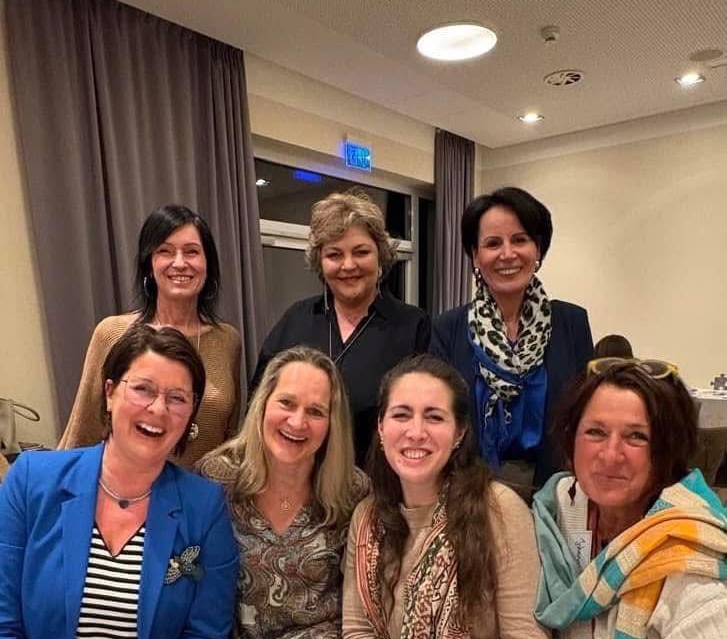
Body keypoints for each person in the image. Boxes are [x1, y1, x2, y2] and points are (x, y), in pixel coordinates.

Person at [0, 325, 238, 639]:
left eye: (177, 398)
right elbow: (1, 627)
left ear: (190, 416)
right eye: (142, 389)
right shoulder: (33, 481)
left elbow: (205, 636)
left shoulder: (204, 506)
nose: (157, 409)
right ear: (109, 393)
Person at [486, 358, 727, 639]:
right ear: (570, 439)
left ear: (666, 449)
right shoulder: (559, 511)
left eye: (636, 437)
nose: (610, 454)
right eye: (595, 432)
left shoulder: (690, 569)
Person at [342, 354, 554, 639]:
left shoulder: (499, 511)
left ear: (458, 434)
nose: (416, 432)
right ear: (381, 427)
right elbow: (357, 632)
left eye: (434, 417)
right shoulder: (366, 519)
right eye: (401, 415)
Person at [200, 346, 368, 639]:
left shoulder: (351, 490)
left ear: (331, 424)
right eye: (287, 403)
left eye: (316, 411)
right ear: (263, 404)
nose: (297, 422)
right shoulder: (216, 477)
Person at [431, 187, 593, 494]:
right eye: (493, 243)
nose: (507, 254)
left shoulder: (571, 323)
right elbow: (438, 418)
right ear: (475, 256)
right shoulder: (447, 329)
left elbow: (586, 415)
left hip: (556, 494)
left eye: (520, 239)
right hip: (469, 496)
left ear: (538, 249)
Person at [251, 190, 430, 463]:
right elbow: (257, 407)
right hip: (296, 481)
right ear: (320, 263)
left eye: (361, 252)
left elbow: (424, 419)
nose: (348, 265)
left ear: (380, 257)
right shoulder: (295, 320)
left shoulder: (413, 327)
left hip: (377, 491)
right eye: (334, 254)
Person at [58, 204, 242, 467]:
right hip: (128, 496)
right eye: (165, 251)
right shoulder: (112, 334)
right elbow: (83, 431)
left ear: (207, 264)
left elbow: (229, 436)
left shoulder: (228, 340)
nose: (180, 263)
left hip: (203, 498)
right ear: (149, 265)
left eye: (191, 252)